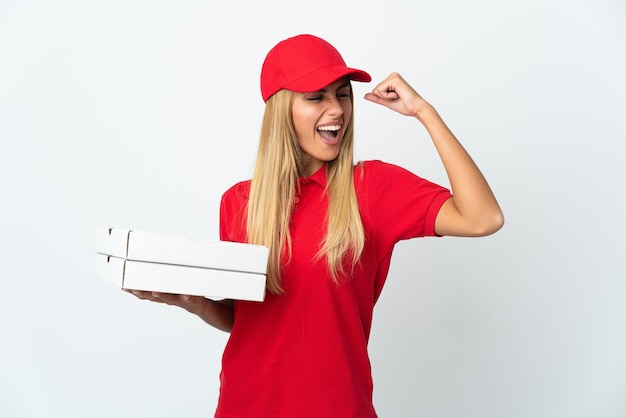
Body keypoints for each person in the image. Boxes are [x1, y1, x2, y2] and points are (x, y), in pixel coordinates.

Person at [129, 34, 504, 418]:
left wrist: (424, 111)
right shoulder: (239, 202)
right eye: (316, 97)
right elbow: (252, 321)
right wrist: (194, 302)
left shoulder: (371, 188)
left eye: (342, 94)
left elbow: (483, 218)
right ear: (281, 110)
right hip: (244, 406)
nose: (337, 109)